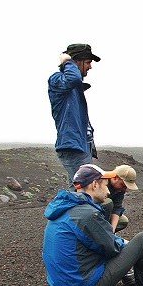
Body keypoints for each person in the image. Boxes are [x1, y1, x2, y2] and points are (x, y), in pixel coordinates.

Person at [42, 164, 143, 286]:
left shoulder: (66, 208)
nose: (108, 191)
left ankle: (131, 275)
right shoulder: (88, 215)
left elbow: (103, 240)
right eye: (105, 185)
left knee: (118, 243)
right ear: (94, 185)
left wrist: (126, 244)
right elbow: (112, 248)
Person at [48, 43, 101, 182]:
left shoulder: (72, 88)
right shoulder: (57, 80)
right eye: (88, 62)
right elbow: (73, 78)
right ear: (77, 61)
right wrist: (67, 60)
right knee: (86, 189)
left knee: (79, 190)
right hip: (73, 146)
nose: (90, 66)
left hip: (80, 145)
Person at [100, 164, 138, 233]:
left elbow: (117, 207)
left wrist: (112, 230)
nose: (124, 189)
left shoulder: (120, 189)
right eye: (123, 185)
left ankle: (107, 233)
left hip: (105, 215)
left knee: (123, 221)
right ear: (115, 178)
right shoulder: (101, 181)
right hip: (92, 213)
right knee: (108, 203)